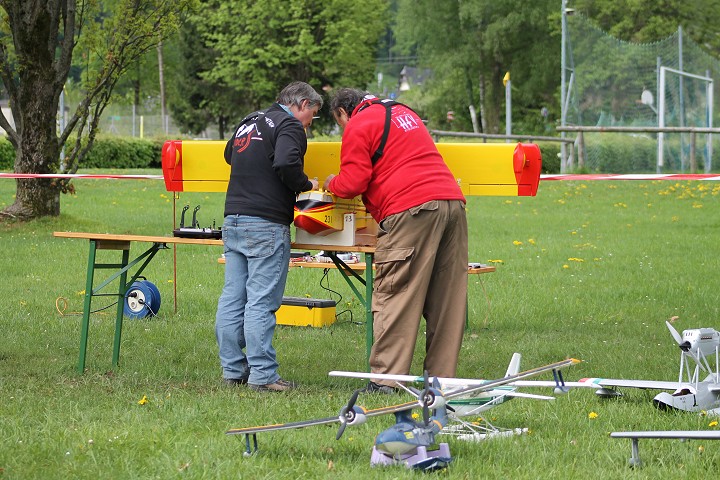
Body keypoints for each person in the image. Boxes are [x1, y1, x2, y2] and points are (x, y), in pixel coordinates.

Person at [324, 88, 468, 393]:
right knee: (447, 299)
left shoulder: (359, 125)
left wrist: (329, 184)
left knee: (396, 292)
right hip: (452, 204)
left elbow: (352, 183)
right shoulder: (405, 113)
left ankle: (386, 381)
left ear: (342, 113)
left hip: (411, 210)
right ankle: (442, 381)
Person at [216, 81, 322, 392]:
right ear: (301, 104)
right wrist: (307, 184)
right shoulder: (289, 124)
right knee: (261, 302)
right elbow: (287, 163)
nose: (309, 124)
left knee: (233, 298)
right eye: (312, 116)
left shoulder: (250, 120)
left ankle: (233, 369)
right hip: (265, 222)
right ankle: (263, 376)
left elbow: (228, 155)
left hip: (233, 218)